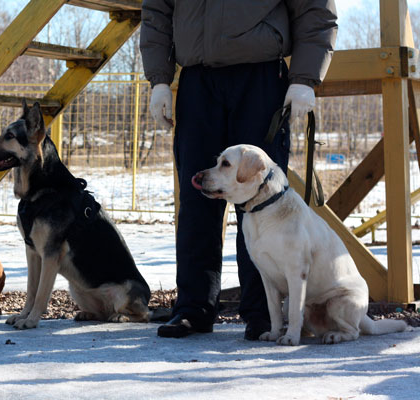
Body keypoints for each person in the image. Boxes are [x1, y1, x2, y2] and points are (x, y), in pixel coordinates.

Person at [140, 0, 338, 339]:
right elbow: (157, 11)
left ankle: (263, 315)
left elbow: (315, 8)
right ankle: (193, 309)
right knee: (197, 197)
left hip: (260, 77)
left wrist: (305, 76)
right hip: (197, 82)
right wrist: (159, 79)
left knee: (264, 202)